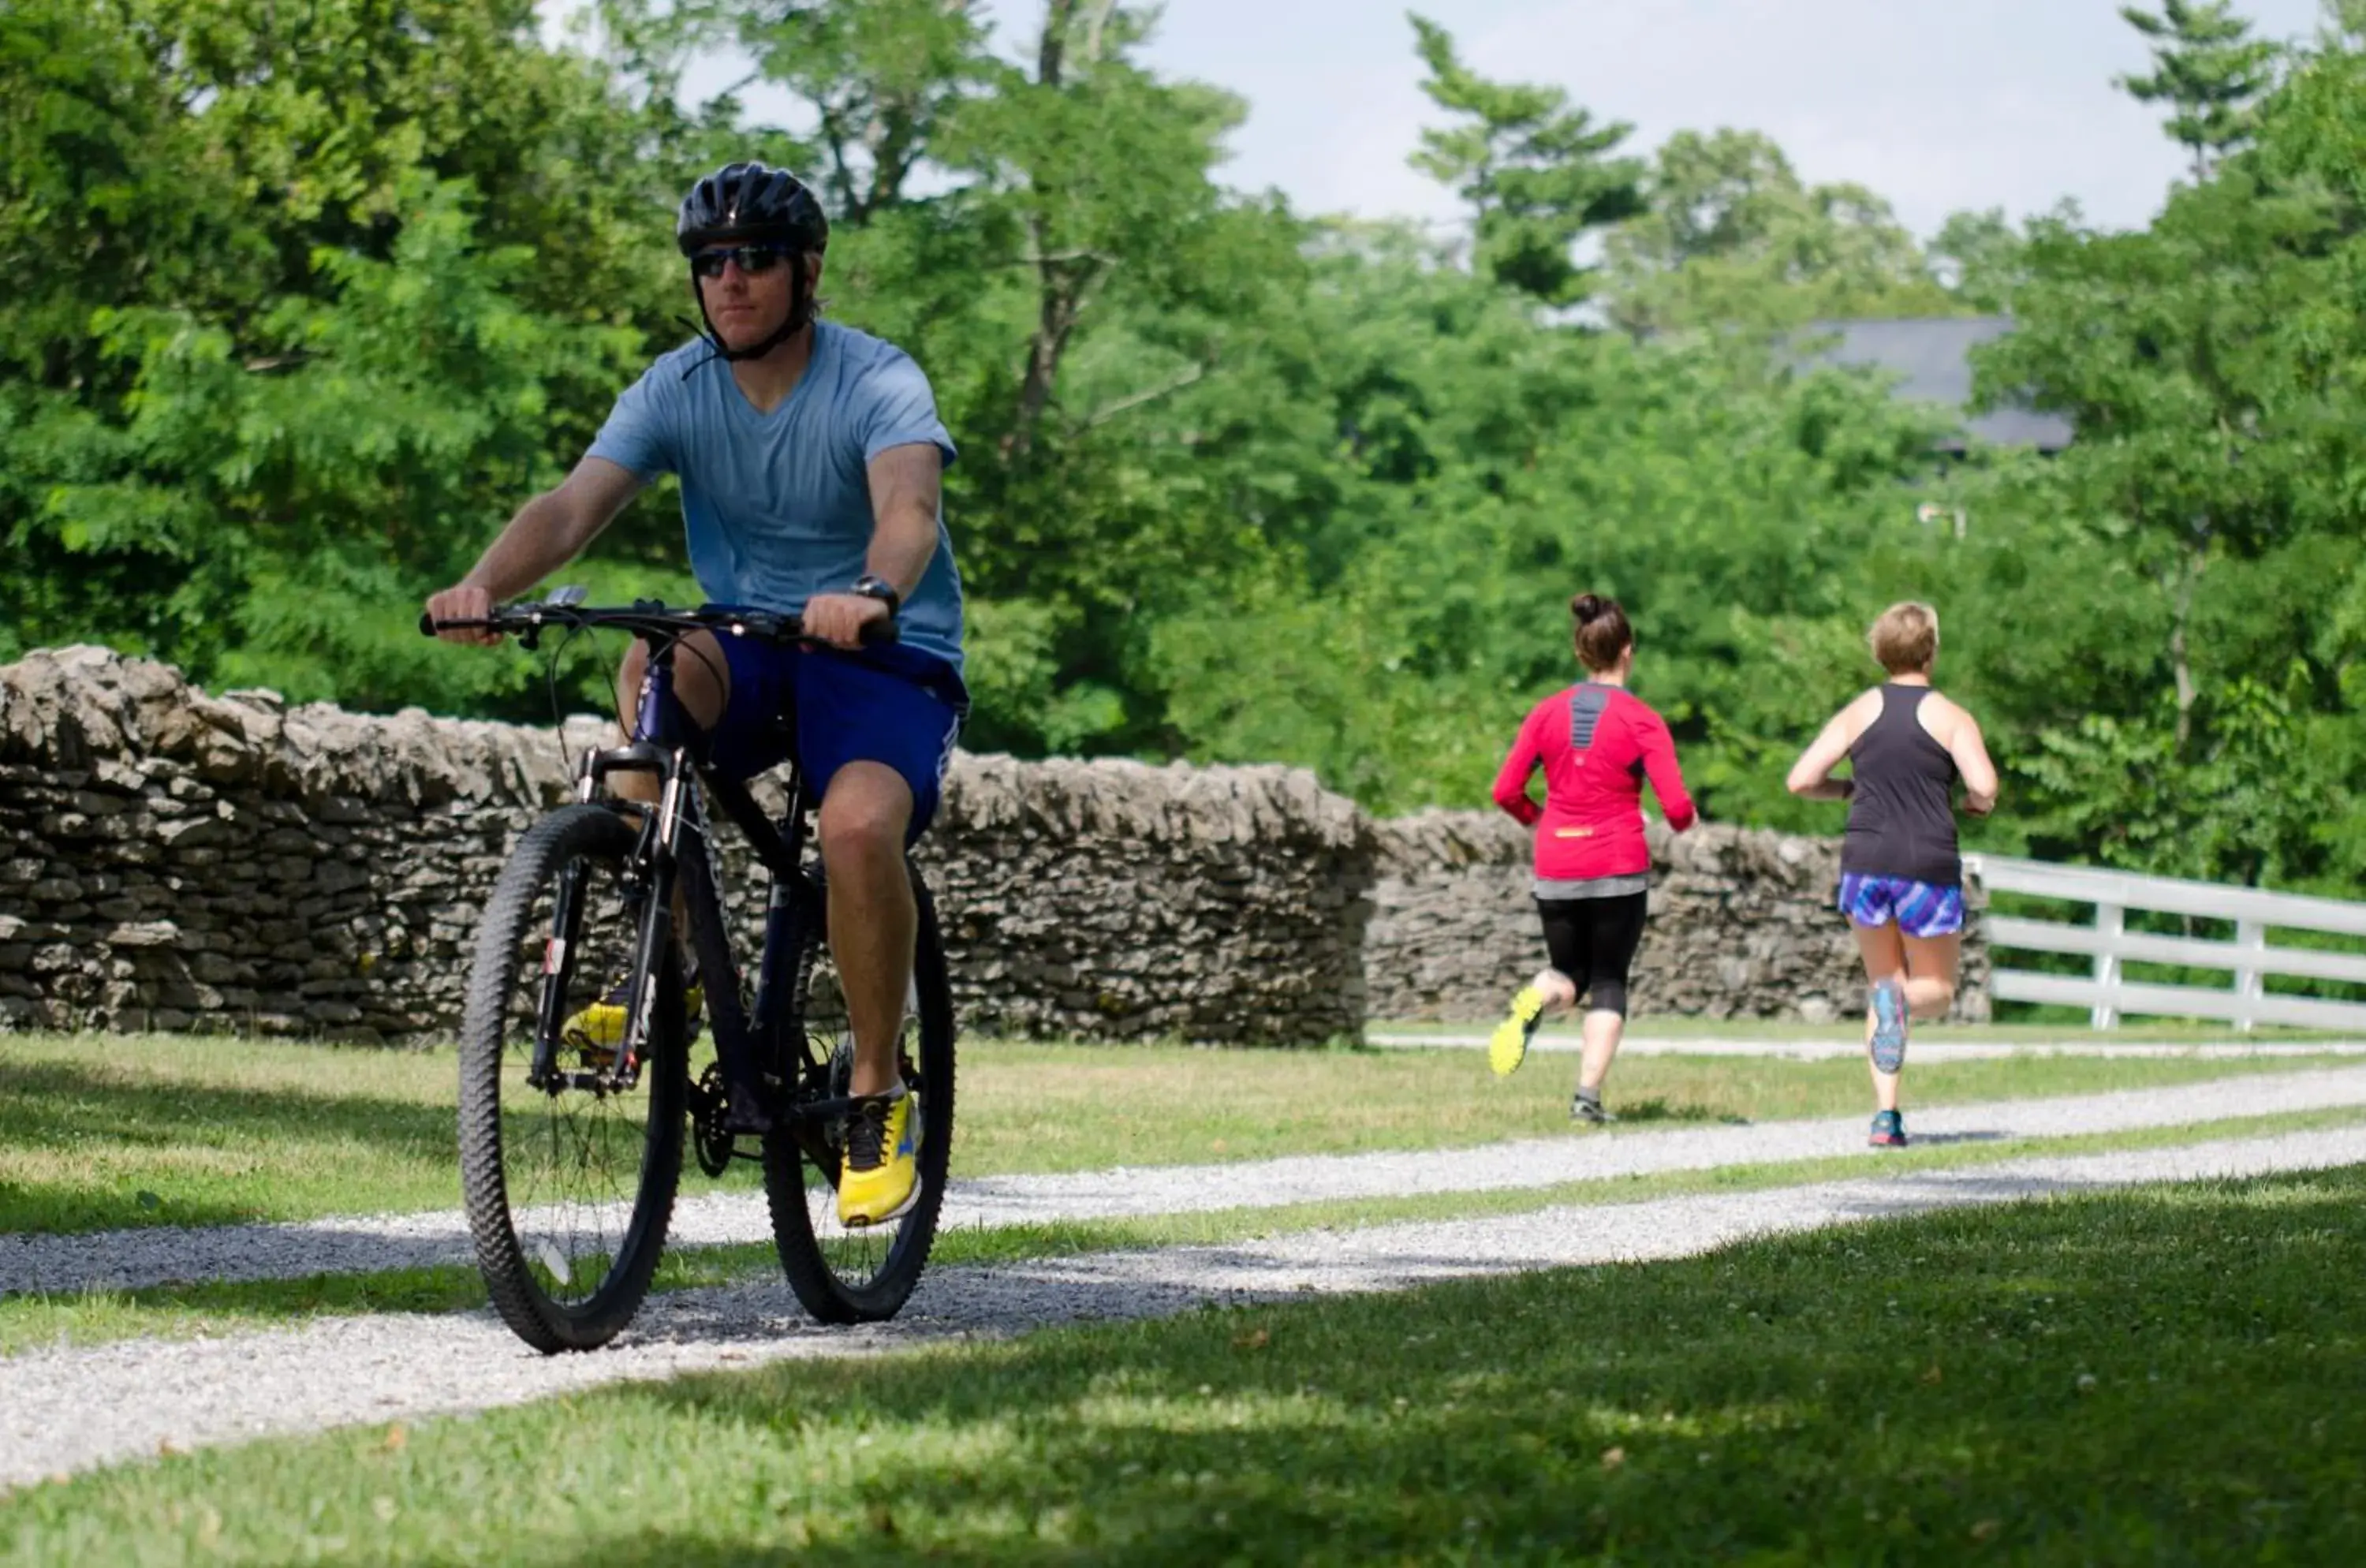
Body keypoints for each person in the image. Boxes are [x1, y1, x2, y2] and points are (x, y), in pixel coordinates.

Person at [426, 161, 965, 1227]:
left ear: (807, 271)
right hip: (751, 647)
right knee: (655, 661)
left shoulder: (876, 379)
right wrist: (487, 584)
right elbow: (574, 505)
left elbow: (909, 507)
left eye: (755, 259)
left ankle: (874, 1091)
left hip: (881, 653)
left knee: (857, 831)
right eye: (710, 263)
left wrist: (869, 591)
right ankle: (656, 961)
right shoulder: (677, 387)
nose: (731, 280)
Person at [1786, 600, 1997, 1148]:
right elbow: (1985, 786)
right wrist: (1975, 804)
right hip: (1925, 865)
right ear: (1931, 650)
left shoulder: (1859, 712)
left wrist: (1848, 789)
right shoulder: (1950, 716)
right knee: (1938, 991)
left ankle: (1886, 1118)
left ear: (1881, 651)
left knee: (1883, 984)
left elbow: (1802, 779)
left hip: (1865, 862)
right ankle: (1899, 1007)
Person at [1487, 593, 1697, 1122]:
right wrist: (1683, 822)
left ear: (1581, 653)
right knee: (1607, 981)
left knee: (1567, 974)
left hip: (1556, 861)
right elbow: (1675, 807)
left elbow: (1505, 790)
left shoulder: (1545, 713)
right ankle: (1587, 1099)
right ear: (1628, 651)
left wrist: (1541, 819)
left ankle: (1539, 994)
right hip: (1617, 864)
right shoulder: (1643, 719)